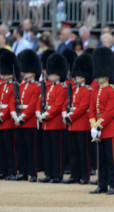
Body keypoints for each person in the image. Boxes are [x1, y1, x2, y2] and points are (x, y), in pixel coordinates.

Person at [89, 47, 114, 195]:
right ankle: (101, 185)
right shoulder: (95, 90)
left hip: (108, 128)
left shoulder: (113, 90)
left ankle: (113, 185)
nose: (99, 78)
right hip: (97, 128)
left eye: (102, 75)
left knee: (110, 158)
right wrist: (92, 125)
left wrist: (99, 124)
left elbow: (109, 111)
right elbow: (91, 109)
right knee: (100, 159)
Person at [62, 53, 93, 185]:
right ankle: (75, 175)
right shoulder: (73, 88)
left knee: (83, 152)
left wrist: (69, 116)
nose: (77, 77)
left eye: (79, 75)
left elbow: (82, 107)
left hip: (82, 125)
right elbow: (65, 103)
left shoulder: (88, 90)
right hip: (71, 124)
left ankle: (85, 176)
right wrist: (64, 114)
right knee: (73, 151)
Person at [37, 53, 67, 184]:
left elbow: (58, 105)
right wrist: (38, 113)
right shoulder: (47, 87)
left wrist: (45, 115)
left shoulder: (62, 88)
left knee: (56, 151)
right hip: (45, 123)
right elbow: (40, 101)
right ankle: (49, 173)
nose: (50, 75)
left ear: (58, 75)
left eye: (53, 74)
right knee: (47, 150)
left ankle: (57, 174)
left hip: (55, 123)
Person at [12, 49, 41, 182]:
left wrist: (21, 118)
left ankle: (32, 173)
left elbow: (32, 106)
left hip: (29, 122)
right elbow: (14, 101)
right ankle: (23, 172)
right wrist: (15, 115)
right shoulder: (21, 85)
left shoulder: (36, 86)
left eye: (27, 71)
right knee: (21, 148)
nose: (25, 73)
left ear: (34, 73)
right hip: (18, 120)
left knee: (31, 149)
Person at [0, 51, 20, 180]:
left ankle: (11, 170)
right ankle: (3, 171)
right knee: (1, 149)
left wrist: (1, 117)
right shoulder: (1, 85)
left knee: (10, 149)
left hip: (7, 121)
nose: (6, 74)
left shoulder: (15, 85)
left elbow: (11, 104)